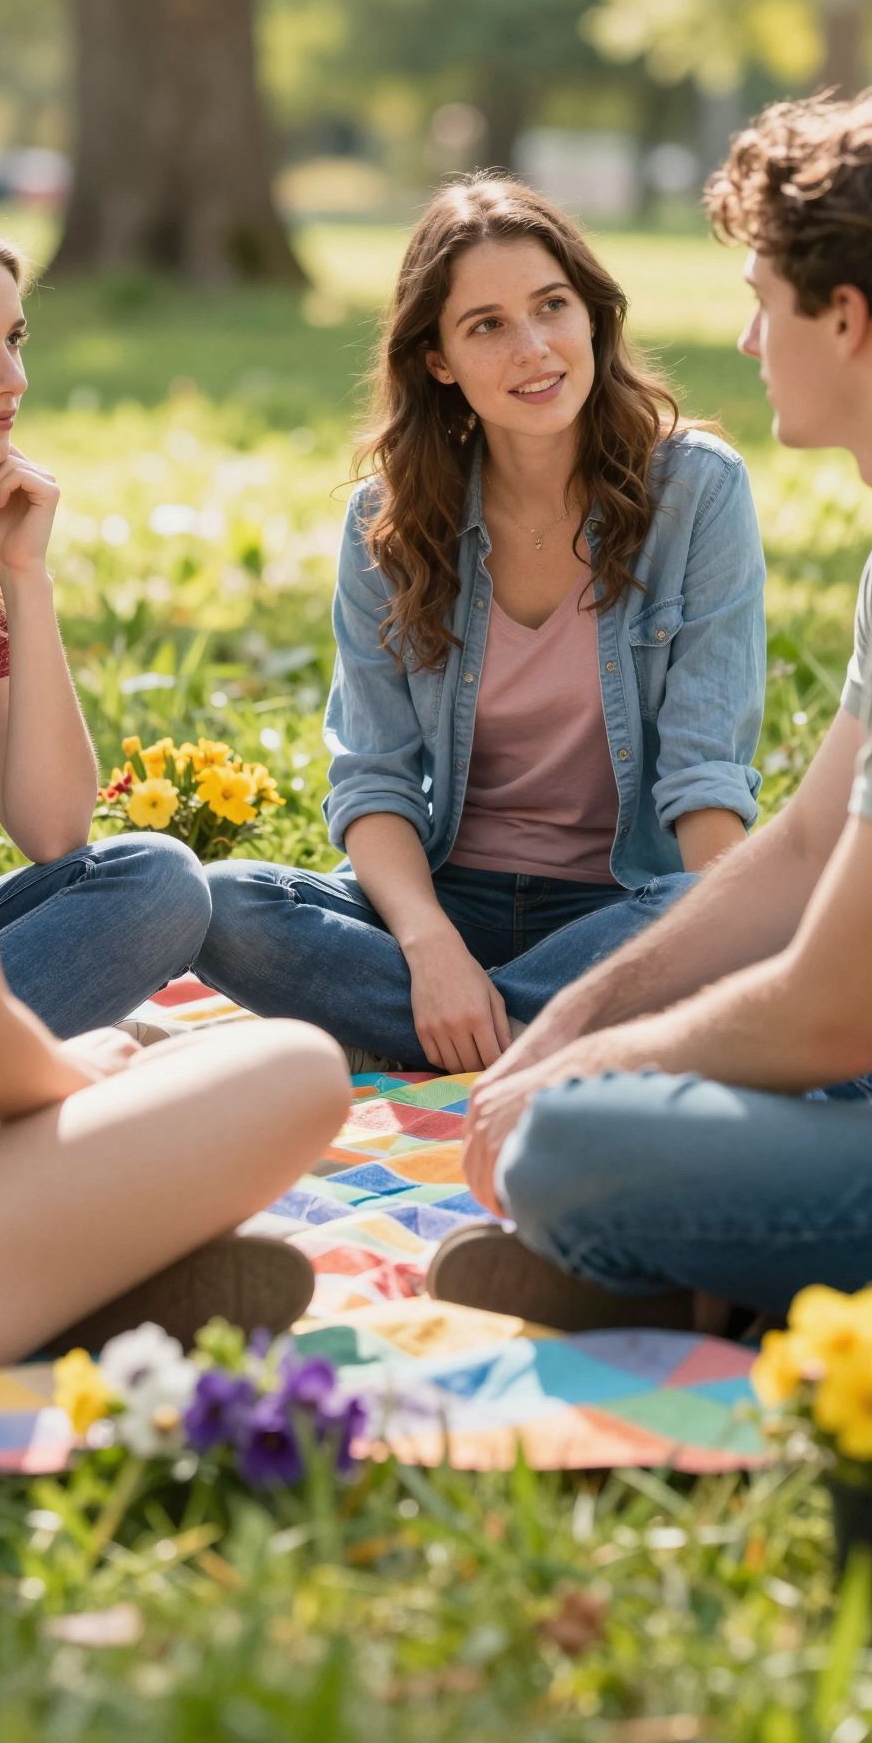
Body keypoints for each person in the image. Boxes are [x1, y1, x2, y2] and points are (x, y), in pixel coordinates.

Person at [427, 86, 872, 1329]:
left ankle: (715, 1275)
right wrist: (570, 1019)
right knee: (645, 1050)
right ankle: (717, 1261)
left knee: (570, 1146)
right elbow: (808, 846)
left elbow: (830, 1014)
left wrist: (575, 1076)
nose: (743, 340)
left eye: (760, 301)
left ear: (847, 319)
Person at [0, 137, 351, 1387]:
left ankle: (76, 1241)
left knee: (144, 894)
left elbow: (56, 830)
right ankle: (93, 1277)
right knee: (293, 1068)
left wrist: (24, 580)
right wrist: (70, 1078)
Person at [195, 174, 767, 1074]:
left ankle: (466, 1030)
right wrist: (430, 950)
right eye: (487, 326)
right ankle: (555, 1030)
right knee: (221, 903)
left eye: (552, 306)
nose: (533, 348)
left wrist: (714, 927)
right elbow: (374, 776)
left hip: (621, 906)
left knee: (722, 913)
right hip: (444, 898)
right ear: (438, 360)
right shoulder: (390, 520)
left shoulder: (696, 491)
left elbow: (706, 774)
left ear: (594, 317)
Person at [0, 222, 213, 1040]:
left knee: (161, 882)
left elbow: (54, 830)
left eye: (16, 339)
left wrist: (24, 581)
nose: (12, 378)